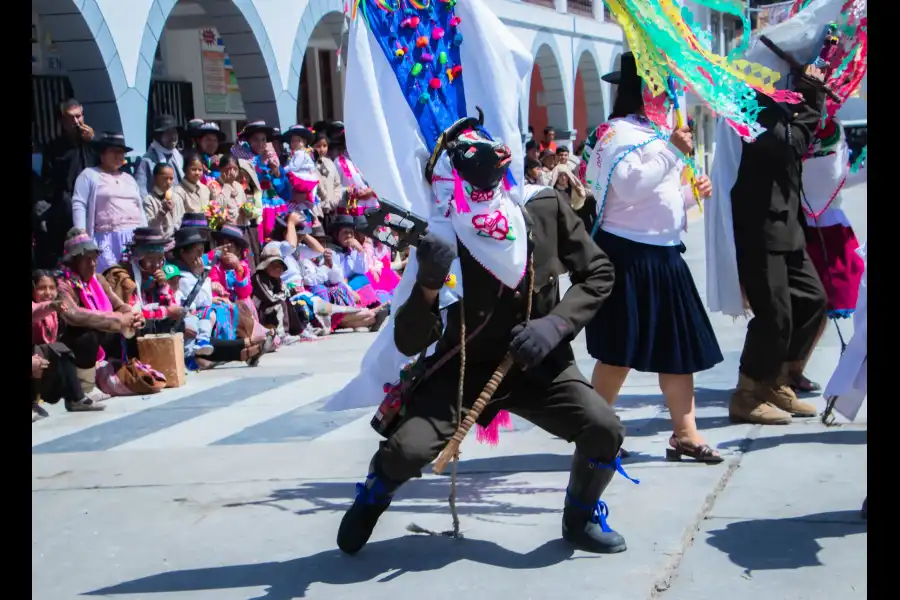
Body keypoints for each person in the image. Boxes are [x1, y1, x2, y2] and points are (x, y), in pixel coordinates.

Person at [334, 0, 631, 556]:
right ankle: (373, 493)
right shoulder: (437, 235)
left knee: (604, 429)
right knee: (404, 451)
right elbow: (409, 340)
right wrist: (426, 283)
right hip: (459, 368)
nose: (476, 188)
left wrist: (557, 326)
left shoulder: (541, 209)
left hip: (539, 365)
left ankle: (580, 515)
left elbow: (598, 271)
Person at [582, 52, 723, 463]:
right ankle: (595, 429)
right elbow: (627, 188)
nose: (666, 96)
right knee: (618, 354)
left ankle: (686, 433)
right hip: (625, 254)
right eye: (658, 88)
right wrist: (672, 153)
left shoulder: (657, 133)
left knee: (677, 351)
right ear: (640, 90)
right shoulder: (614, 133)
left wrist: (691, 192)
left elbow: (660, 197)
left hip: (664, 256)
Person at [706, 2, 835, 425]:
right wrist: (812, 98)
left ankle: (778, 376)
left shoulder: (779, 101)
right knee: (774, 314)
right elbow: (791, 144)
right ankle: (747, 392)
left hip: (787, 222)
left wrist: (807, 95)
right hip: (759, 225)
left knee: (812, 300)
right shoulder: (749, 107)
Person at [56, 228, 144, 397]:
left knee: (135, 326)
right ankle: (86, 388)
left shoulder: (99, 279)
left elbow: (119, 305)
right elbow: (74, 315)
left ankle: (121, 371)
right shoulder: (62, 284)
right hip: (73, 345)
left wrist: (132, 315)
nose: (93, 263)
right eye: (86, 259)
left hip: (104, 336)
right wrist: (119, 320)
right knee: (85, 336)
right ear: (73, 261)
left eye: (94, 258)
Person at [32, 270, 105, 419]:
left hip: (43, 362)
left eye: (52, 288)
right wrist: (51, 305)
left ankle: (76, 398)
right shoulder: (46, 307)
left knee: (79, 340)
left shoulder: (54, 310)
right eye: (41, 288)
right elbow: (35, 312)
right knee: (45, 354)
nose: (47, 292)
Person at [71, 132, 148, 274]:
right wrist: (81, 233)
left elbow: (139, 207)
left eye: (122, 153)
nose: (119, 156)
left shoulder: (129, 178)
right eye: (114, 152)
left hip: (133, 237)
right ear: (102, 154)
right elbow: (79, 203)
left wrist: (145, 234)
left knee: (132, 278)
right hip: (106, 237)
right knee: (110, 276)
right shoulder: (89, 175)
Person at [37, 98, 98, 269]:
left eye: (78, 116)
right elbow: (49, 183)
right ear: (62, 121)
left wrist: (92, 142)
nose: (76, 122)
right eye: (70, 118)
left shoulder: (94, 143)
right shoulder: (55, 148)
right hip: (66, 210)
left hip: (95, 206)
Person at [234, 121, 289, 243]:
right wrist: (260, 163)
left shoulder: (273, 159)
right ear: (248, 141)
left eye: (263, 140)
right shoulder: (242, 161)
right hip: (256, 209)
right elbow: (248, 184)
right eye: (256, 140)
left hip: (275, 208)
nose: (260, 144)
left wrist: (276, 173)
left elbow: (285, 192)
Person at [135, 114, 184, 198]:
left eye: (174, 132)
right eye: (168, 133)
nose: (173, 137)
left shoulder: (178, 156)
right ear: (158, 136)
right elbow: (142, 192)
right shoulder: (148, 161)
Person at [172, 150, 212, 223]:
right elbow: (178, 219)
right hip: (188, 231)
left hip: (205, 231)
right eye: (193, 169)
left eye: (200, 170)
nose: (197, 173)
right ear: (184, 170)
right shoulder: (178, 192)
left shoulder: (205, 189)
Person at [143, 164, 180, 240]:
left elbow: (181, 218)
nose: (169, 182)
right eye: (165, 178)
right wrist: (162, 212)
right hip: (160, 242)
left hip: (177, 241)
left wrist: (175, 229)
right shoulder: (149, 199)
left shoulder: (176, 197)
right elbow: (151, 226)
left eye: (171, 178)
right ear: (155, 178)